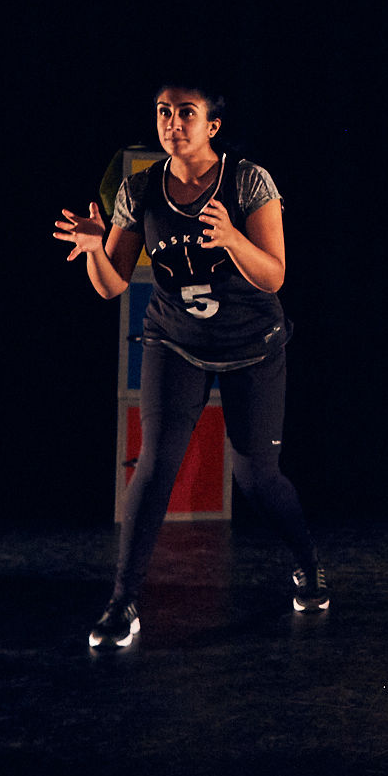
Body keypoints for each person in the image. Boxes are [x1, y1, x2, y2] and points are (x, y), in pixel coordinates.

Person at [53, 85, 326, 648]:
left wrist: (232, 239)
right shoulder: (139, 188)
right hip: (174, 339)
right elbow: (112, 286)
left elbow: (274, 275)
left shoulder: (248, 182)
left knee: (257, 478)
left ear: (212, 126)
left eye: (186, 113)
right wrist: (96, 249)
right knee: (155, 465)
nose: (172, 123)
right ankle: (122, 604)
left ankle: (309, 565)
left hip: (252, 344)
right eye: (163, 112)